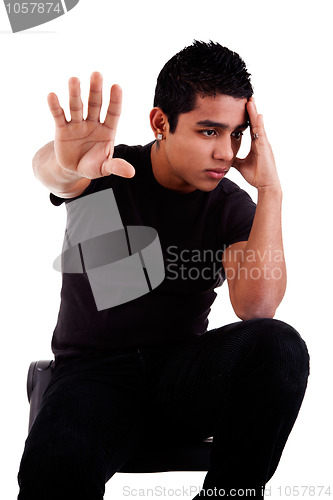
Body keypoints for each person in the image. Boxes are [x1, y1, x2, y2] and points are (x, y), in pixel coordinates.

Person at [17, 41, 309, 499]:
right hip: (93, 376)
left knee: (280, 344)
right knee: (53, 475)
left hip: (179, 378)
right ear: (161, 123)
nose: (226, 153)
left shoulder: (230, 204)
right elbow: (54, 174)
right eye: (209, 132)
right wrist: (64, 164)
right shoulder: (108, 167)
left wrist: (270, 190)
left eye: (235, 135)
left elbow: (258, 307)